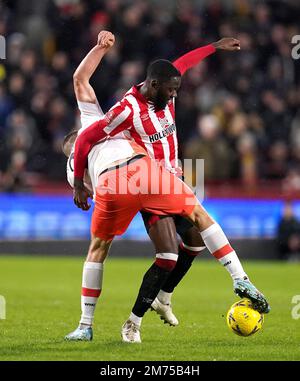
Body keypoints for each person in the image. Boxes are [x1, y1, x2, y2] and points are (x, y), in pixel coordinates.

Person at [66, 31, 270, 343]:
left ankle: (165, 298)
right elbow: (87, 136)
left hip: (166, 178)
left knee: (194, 240)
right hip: (143, 180)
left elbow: (181, 64)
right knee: (169, 255)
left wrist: (214, 47)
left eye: (177, 90)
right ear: (155, 85)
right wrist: (80, 182)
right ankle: (132, 323)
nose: (174, 96)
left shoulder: (164, 92)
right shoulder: (123, 111)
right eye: (171, 91)